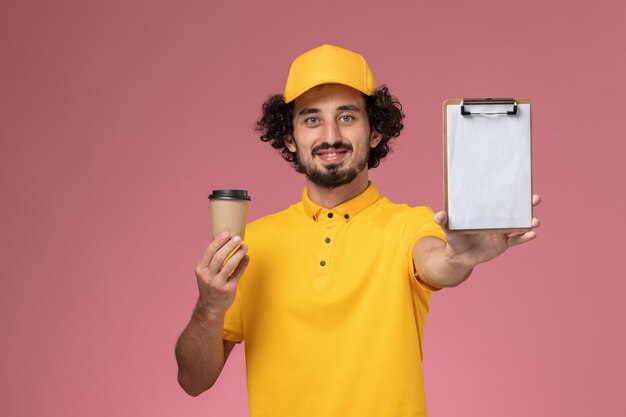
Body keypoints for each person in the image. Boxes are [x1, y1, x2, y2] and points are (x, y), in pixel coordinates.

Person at [175, 44, 540, 417]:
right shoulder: (254, 243)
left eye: (347, 117)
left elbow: (436, 262)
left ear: (375, 132)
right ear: (289, 137)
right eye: (312, 119)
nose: (330, 135)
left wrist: (457, 257)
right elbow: (193, 380)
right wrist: (209, 306)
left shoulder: (409, 224)